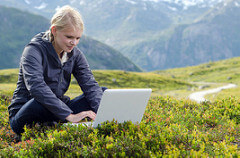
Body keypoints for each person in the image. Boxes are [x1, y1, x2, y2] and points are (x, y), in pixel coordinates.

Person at [8, 5, 105, 136]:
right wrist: (69, 115)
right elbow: (36, 87)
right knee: (39, 102)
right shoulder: (33, 50)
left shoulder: (75, 55)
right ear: (54, 30)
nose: (74, 43)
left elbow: (90, 85)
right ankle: (59, 120)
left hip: (57, 110)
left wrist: (103, 114)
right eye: (69, 37)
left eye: (78, 38)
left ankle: (57, 122)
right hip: (26, 112)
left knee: (103, 93)